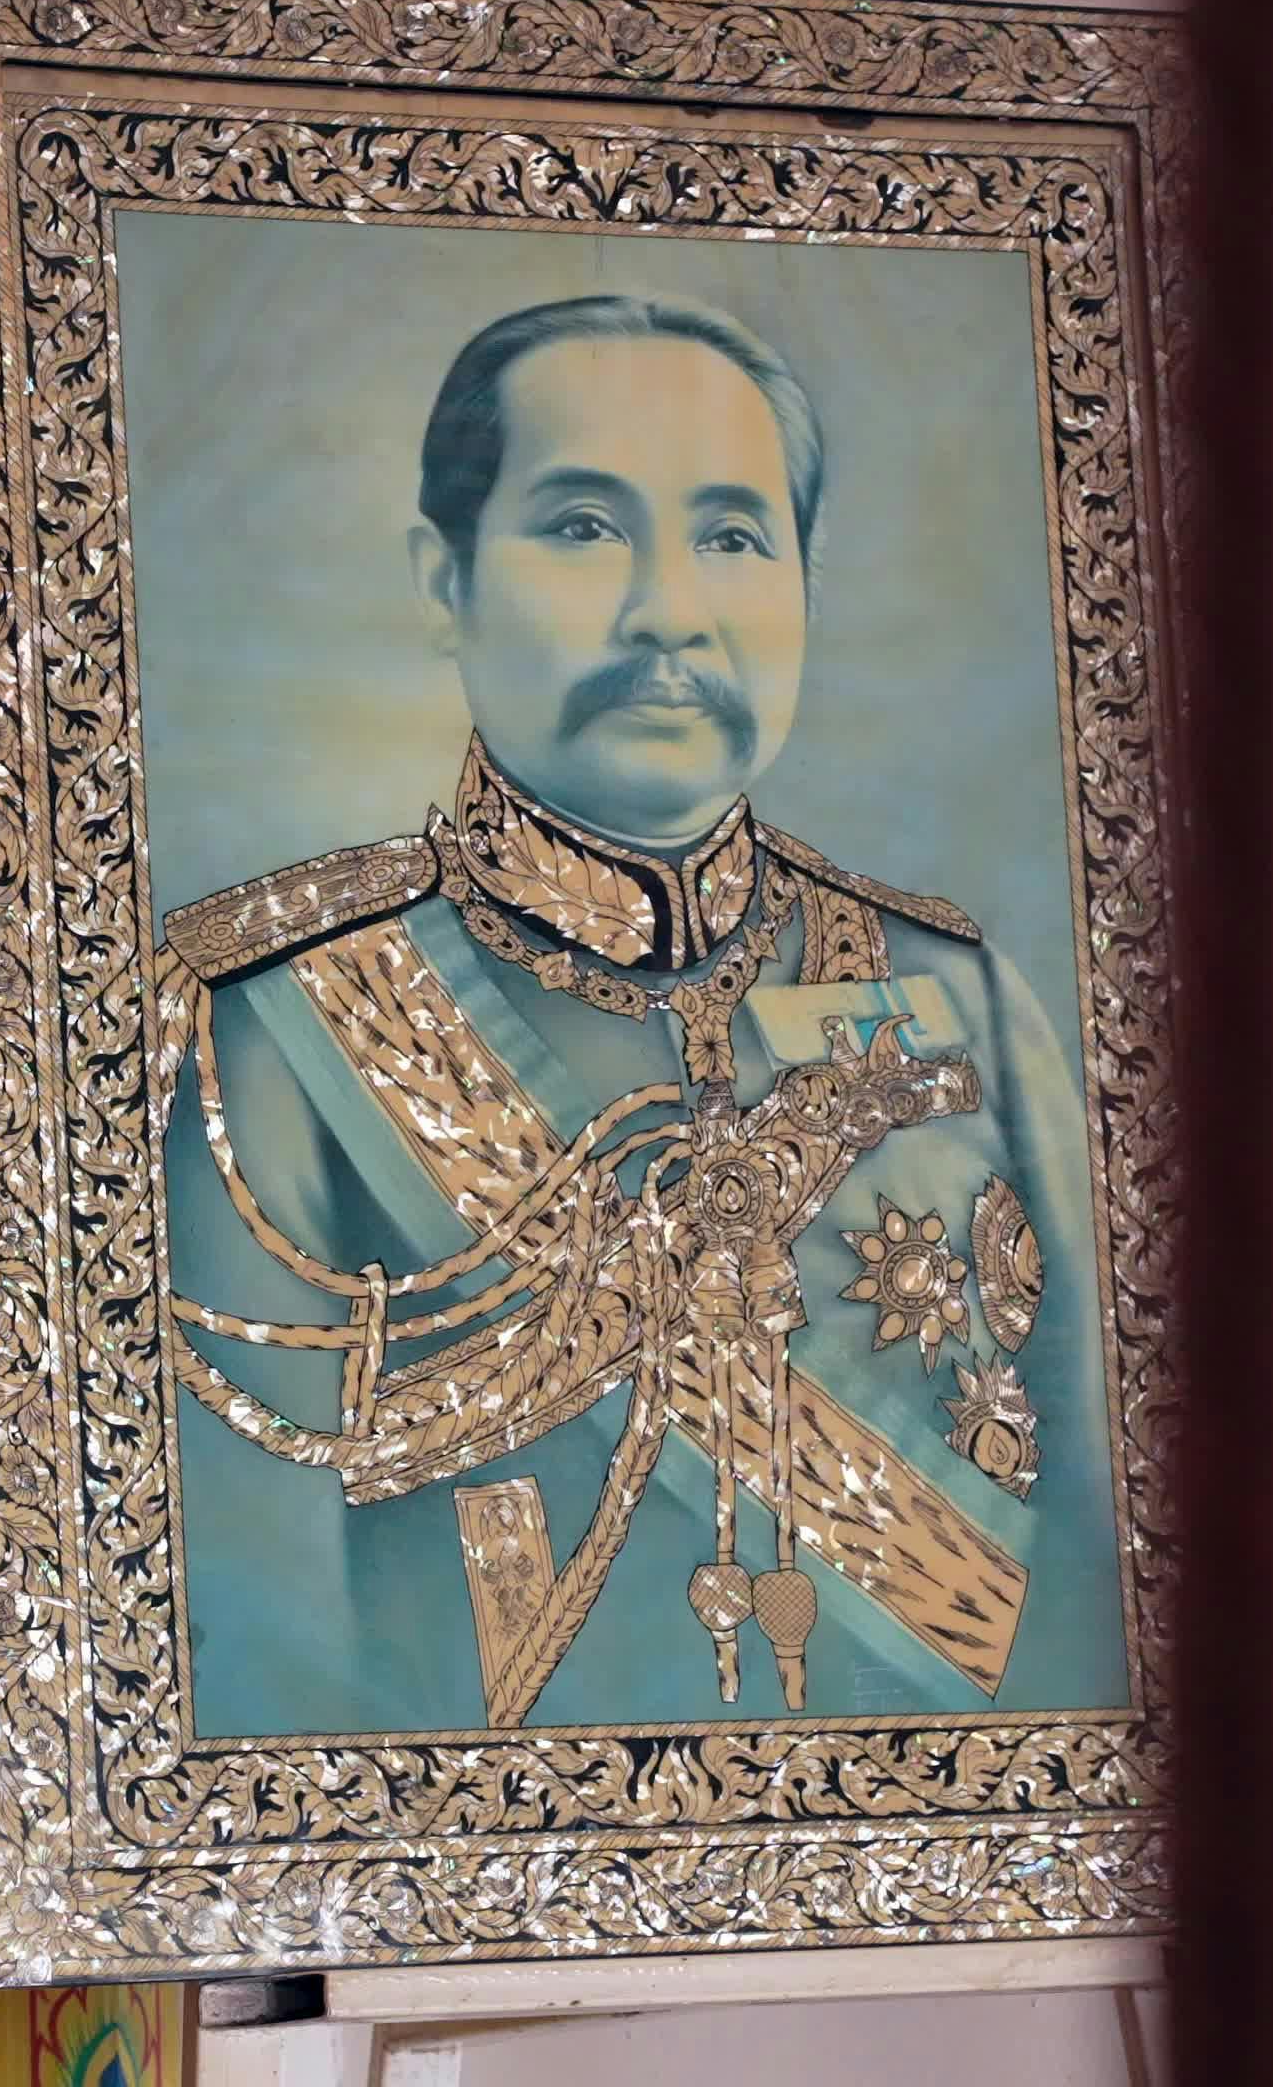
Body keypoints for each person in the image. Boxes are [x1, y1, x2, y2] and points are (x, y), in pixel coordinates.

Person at [157, 292, 1126, 1735]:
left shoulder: (959, 994)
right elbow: (261, 1655)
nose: (668, 608)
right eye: (584, 527)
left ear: (804, 588)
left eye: (732, 538)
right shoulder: (284, 1024)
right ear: (445, 582)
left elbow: (1105, 1574)